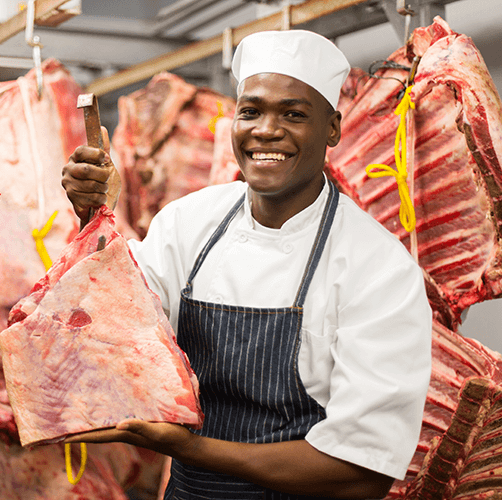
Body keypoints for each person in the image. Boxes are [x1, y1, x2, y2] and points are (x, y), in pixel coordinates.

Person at [61, 30, 432, 500]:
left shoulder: (377, 268)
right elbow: (116, 320)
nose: (265, 130)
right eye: (251, 111)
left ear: (333, 128)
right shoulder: (189, 221)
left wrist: (192, 448)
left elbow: (362, 473)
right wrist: (92, 214)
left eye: (293, 114)